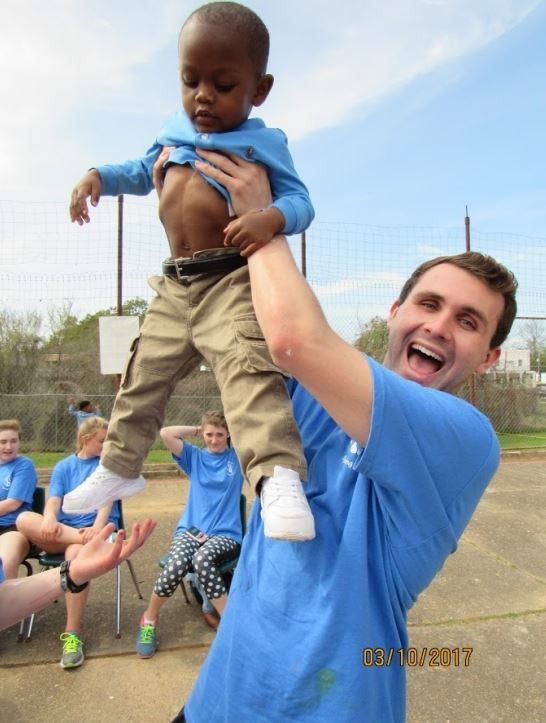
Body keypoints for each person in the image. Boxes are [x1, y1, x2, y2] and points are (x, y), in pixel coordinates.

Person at [168, 152, 518, 722]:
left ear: (489, 357)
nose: (438, 325)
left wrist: (266, 215)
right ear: (395, 311)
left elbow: (292, 339)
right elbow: (236, 315)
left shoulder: (468, 440)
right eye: (429, 304)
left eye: (468, 321)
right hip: (220, 697)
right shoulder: (310, 396)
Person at [64, 1, 315, 543]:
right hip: (175, 285)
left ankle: (277, 478)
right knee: (141, 375)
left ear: (259, 89)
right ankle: (119, 468)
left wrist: (270, 216)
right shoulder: (173, 131)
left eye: (224, 85)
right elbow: (137, 170)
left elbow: (300, 201)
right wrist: (96, 177)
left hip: (230, 280)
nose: (204, 95)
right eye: (190, 80)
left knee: (250, 375)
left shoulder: (264, 143)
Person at [136, 411, 243, 658]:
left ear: (228, 434)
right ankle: (149, 620)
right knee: (175, 566)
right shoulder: (194, 457)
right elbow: (166, 433)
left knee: (202, 560)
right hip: (191, 530)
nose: (214, 440)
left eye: (219, 434)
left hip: (225, 533)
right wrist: (196, 429)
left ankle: (230, 627)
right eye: (209, 434)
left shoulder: (237, 458)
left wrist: (232, 429)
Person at [16, 416, 121, 669]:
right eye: (101, 441)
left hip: (94, 532)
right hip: (65, 532)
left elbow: (106, 503)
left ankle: (72, 634)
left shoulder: (107, 466)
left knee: (75, 557)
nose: (106, 446)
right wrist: (50, 518)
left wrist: (96, 528)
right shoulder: (64, 466)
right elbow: (54, 499)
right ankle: (77, 538)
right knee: (24, 519)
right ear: (85, 440)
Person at [0, 519, 156, 632]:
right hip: (64, 532)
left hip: (88, 534)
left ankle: (72, 630)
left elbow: (4, 601)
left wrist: (72, 573)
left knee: (73, 551)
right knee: (25, 519)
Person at [0, 419, 38, 580]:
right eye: (3, 442)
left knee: (4, 561)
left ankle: (7, 605)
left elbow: (13, 503)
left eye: (13, 441)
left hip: (13, 527)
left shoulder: (24, 465)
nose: (9, 447)